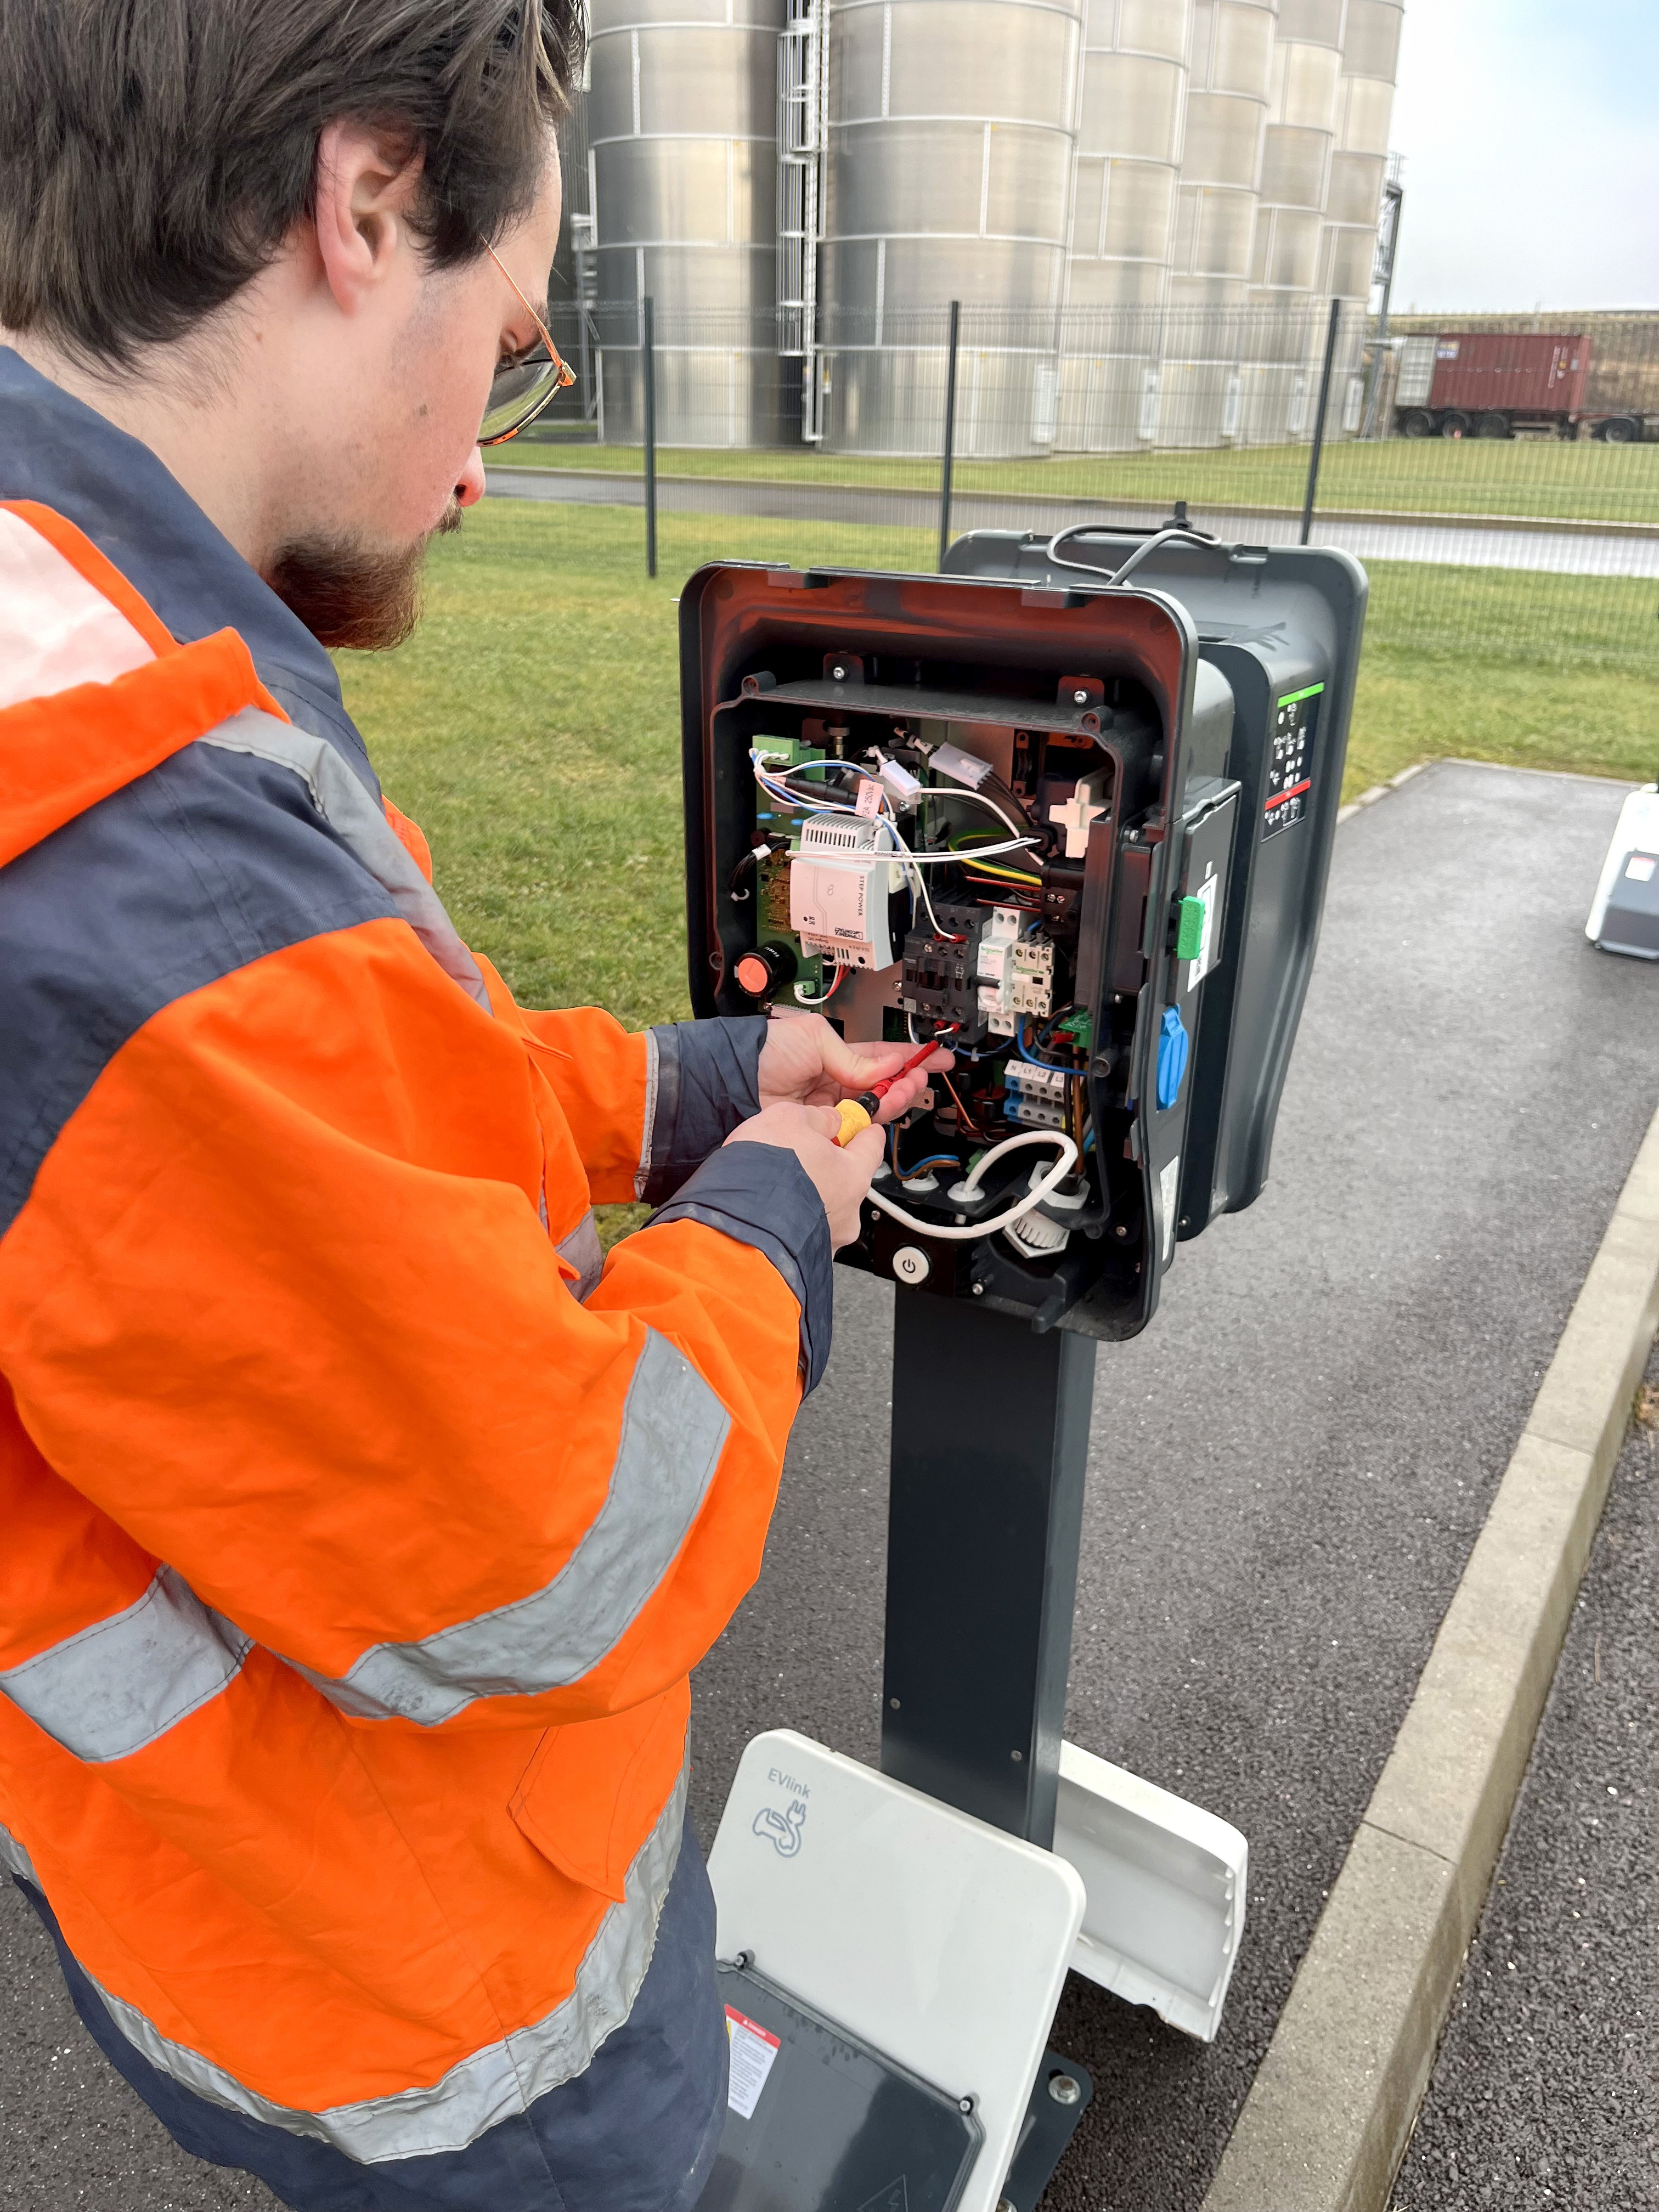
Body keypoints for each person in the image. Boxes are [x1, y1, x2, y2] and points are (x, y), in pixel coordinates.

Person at [0, 5, 946, 2207]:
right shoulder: (120, 847)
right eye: (511, 344)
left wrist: (692, 1086)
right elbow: (558, 1550)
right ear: (362, 204)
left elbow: (354, 1126)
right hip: (444, 2013)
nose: (487, 449)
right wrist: (782, 1204)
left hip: (204, 1894)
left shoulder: (101, 633)